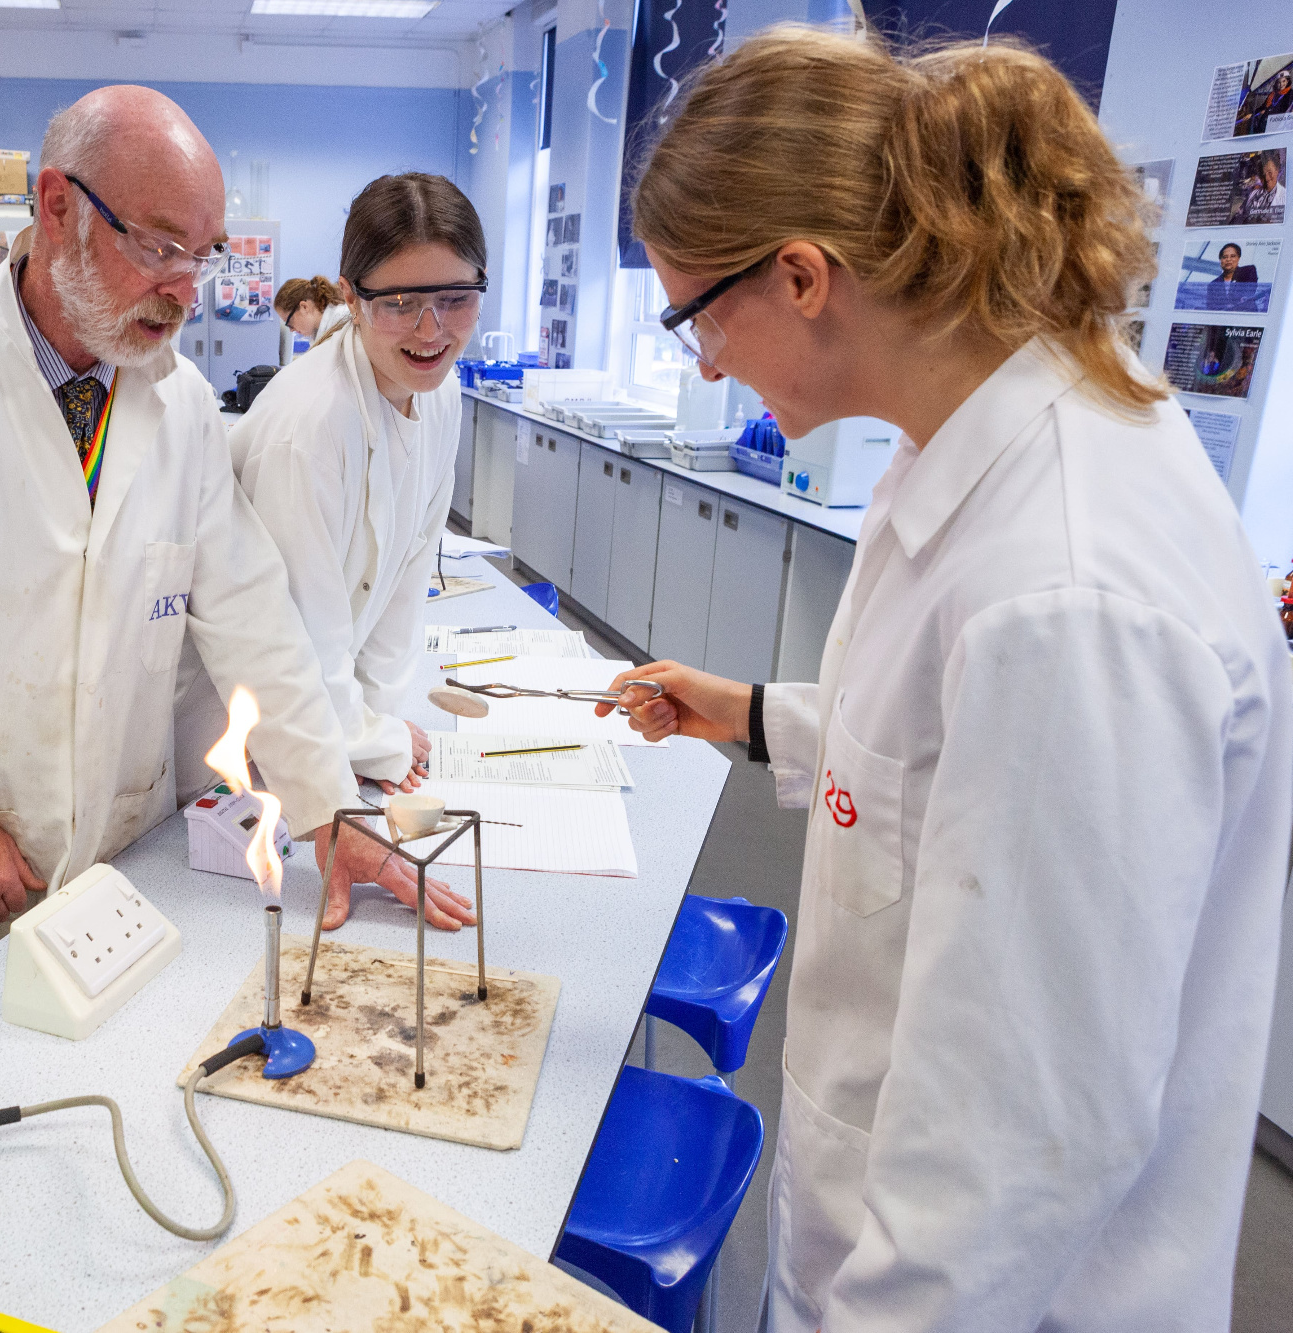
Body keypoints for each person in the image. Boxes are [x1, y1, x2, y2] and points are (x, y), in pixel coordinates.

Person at [609, 28, 1290, 1331]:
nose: (700, 364)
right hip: (874, 1230)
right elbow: (956, 766)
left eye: (694, 316)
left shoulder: (1067, 587)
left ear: (801, 275)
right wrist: (762, 718)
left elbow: (1021, 1143)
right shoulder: (970, 452)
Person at [0, 85, 446, 1043]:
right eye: (159, 246)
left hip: (119, 880)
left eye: (201, 256)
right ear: (56, 207)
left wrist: (329, 811)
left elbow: (254, 619)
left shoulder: (184, 407)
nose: (184, 289)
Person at [190, 174, 487, 932]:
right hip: (256, 733)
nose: (431, 329)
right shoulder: (309, 425)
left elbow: (406, 575)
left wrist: (378, 734)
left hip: (331, 738)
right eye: (398, 303)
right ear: (352, 298)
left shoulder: (440, 389)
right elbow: (298, 633)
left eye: (455, 297)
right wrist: (363, 746)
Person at [273, 274, 350, 349]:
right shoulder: (320, 331)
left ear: (304, 307)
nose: (291, 330)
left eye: (289, 323)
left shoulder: (342, 320)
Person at [1204, 241, 1259, 312]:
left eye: (1232, 256)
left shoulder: (1248, 271)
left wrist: (1242, 299)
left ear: (1238, 258)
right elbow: (1211, 307)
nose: (1228, 260)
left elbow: (1249, 290)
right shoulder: (1212, 285)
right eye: (1224, 257)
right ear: (1220, 261)